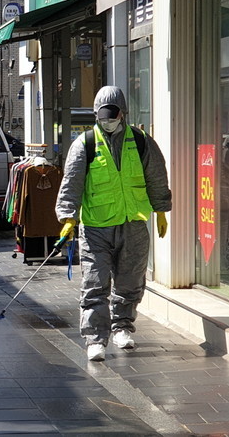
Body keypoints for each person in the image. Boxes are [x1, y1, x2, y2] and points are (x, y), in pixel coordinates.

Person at [55, 86, 172, 362]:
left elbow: (156, 177)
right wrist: (68, 215)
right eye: (102, 117)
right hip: (96, 227)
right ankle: (95, 339)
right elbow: (71, 183)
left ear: (123, 114)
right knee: (95, 282)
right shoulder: (85, 144)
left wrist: (162, 209)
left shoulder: (142, 142)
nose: (106, 122)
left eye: (111, 116)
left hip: (133, 223)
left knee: (130, 281)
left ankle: (122, 328)